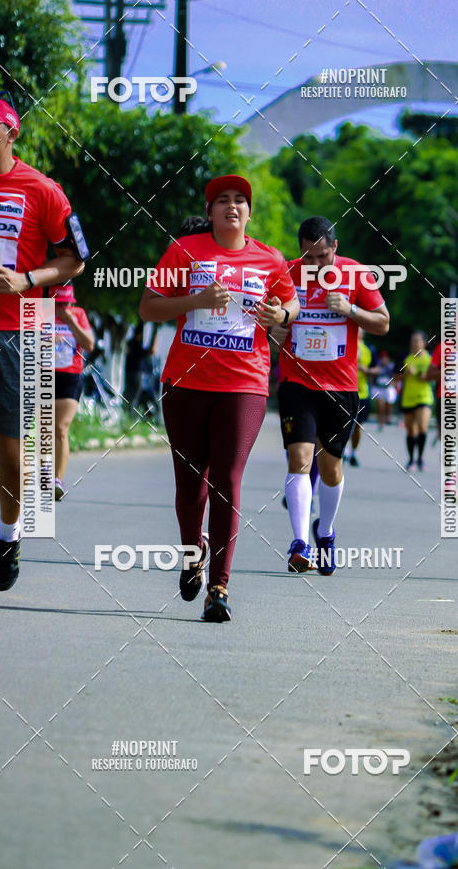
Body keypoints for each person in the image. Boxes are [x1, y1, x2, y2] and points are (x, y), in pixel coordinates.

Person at [139, 174, 298, 622]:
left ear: (249, 213)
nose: (232, 206)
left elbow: (291, 304)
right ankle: (193, 552)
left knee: (226, 480)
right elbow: (148, 306)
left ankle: (219, 588)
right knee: (190, 487)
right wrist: (195, 300)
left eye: (240, 201)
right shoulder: (185, 250)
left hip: (244, 384)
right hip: (186, 383)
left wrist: (280, 313)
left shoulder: (270, 258)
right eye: (222, 200)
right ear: (209, 212)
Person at [0, 91, 86, 607]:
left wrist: (27, 279)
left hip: (24, 329)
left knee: (12, 456)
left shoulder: (42, 190)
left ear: (11, 132)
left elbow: (74, 258)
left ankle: (9, 536)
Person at [276, 216, 389, 574]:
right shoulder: (285, 273)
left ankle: (324, 532)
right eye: (307, 257)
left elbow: (384, 322)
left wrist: (350, 310)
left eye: (321, 256)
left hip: (340, 387)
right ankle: (300, 544)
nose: (314, 265)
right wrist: (273, 330)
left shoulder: (356, 274)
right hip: (297, 383)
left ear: (334, 249)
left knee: (331, 468)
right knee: (299, 458)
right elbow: (267, 323)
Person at [51, 283, 94, 501]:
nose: (63, 307)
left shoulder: (78, 314)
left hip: (70, 377)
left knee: (60, 428)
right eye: (59, 303)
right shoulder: (39, 312)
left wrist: (71, 322)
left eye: (67, 303)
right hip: (43, 376)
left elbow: (89, 344)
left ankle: (57, 480)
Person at [394, 331, 433, 471]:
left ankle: (420, 458)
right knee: (410, 431)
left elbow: (438, 375)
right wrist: (405, 374)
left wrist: (426, 376)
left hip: (424, 397)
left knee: (422, 426)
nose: (414, 343)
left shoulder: (430, 358)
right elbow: (395, 377)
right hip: (407, 397)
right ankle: (411, 460)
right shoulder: (405, 357)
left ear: (424, 343)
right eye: (412, 340)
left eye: (417, 341)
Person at [344, 328, 378, 466]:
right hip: (343, 390)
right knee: (343, 423)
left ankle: (353, 452)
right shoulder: (343, 341)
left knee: (358, 426)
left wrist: (367, 370)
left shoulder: (369, 349)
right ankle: (343, 450)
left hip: (361, 392)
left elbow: (377, 369)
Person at [371, 350, 397, 430]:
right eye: (381, 358)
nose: (383, 359)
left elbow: (395, 377)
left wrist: (393, 383)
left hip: (388, 388)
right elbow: (371, 376)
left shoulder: (391, 366)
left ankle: (387, 416)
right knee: (380, 404)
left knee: (388, 404)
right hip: (378, 388)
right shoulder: (377, 366)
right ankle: (380, 422)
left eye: (384, 358)